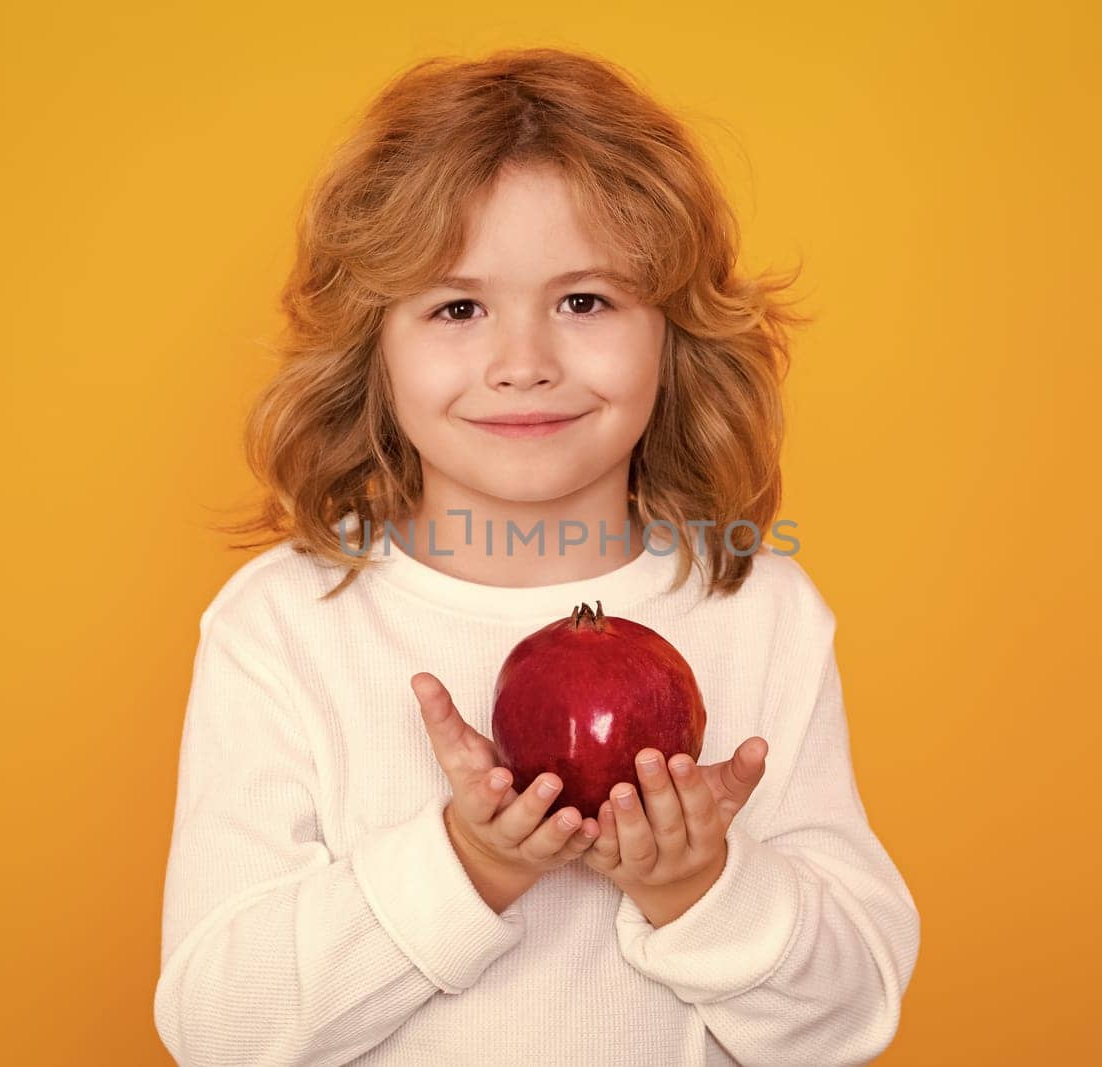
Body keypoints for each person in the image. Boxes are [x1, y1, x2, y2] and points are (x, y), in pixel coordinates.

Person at [153, 46, 921, 1066]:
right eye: (457, 307)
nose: (524, 364)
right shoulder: (286, 623)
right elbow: (221, 1031)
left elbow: (850, 1014)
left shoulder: (755, 608)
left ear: (673, 336)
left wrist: (697, 887)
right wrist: (468, 863)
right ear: (372, 349)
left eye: (586, 301)